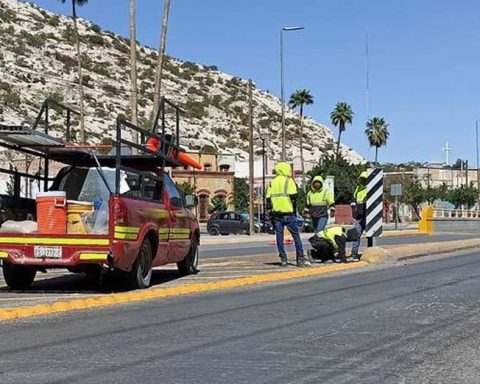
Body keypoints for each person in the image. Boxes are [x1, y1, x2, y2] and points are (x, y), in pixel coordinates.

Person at [266, 162, 309, 268]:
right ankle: (300, 259)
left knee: (279, 237)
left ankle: (283, 259)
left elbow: (268, 199)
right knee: (296, 236)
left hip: (277, 214)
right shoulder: (289, 181)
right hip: (289, 213)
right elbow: (294, 197)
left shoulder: (272, 182)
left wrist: (270, 211)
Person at [350, 171, 368, 260]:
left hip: (368, 216)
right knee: (356, 235)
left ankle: (370, 252)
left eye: (364, 179)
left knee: (370, 236)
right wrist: (353, 212)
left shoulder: (370, 189)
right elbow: (353, 201)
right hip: (359, 217)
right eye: (361, 179)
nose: (363, 181)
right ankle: (354, 253)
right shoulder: (357, 189)